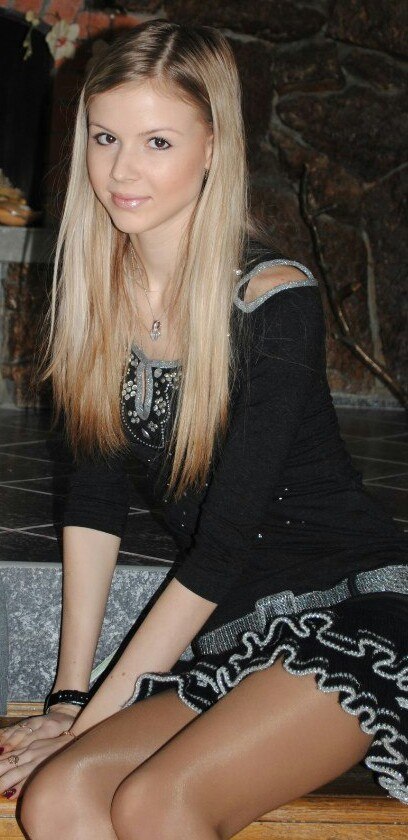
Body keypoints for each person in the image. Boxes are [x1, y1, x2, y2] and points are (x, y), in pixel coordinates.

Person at [1, 18, 407, 838]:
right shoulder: (97, 295)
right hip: (237, 630)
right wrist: (70, 698)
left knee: (158, 804)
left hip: (354, 614)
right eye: (105, 137)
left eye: (157, 142)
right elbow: (94, 503)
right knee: (56, 799)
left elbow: (220, 548)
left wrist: (87, 725)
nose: (122, 170)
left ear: (214, 146)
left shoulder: (273, 300)